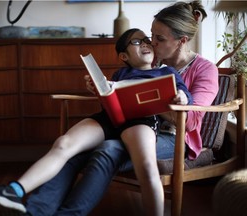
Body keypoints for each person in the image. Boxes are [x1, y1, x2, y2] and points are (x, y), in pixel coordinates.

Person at [19, 1, 218, 216]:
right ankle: (35, 210)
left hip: (173, 137)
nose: (151, 43)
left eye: (159, 39)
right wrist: (105, 90)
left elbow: (190, 122)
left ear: (182, 41)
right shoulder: (147, 59)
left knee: (108, 149)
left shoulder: (205, 70)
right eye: (151, 35)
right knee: (76, 149)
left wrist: (149, 99)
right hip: (132, 126)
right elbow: (120, 105)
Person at [0, 28, 192, 216]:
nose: (145, 43)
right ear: (124, 55)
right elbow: (109, 101)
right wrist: (100, 88)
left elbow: (184, 96)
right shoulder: (121, 73)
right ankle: (13, 191)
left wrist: (182, 97)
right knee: (64, 143)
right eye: (137, 41)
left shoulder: (166, 72)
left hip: (140, 121)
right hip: (109, 119)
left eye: (147, 40)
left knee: (146, 166)